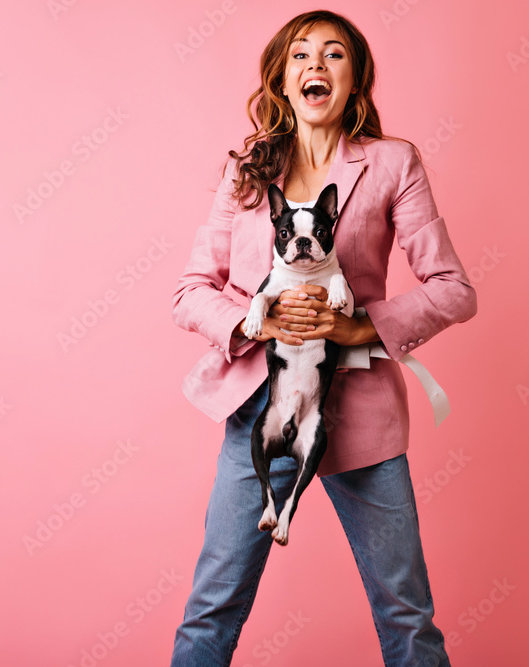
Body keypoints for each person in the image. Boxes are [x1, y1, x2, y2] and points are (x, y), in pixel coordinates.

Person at [169, 10, 476, 666]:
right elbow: (191, 291)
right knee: (212, 604)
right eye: (302, 54)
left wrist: (358, 324)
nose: (317, 64)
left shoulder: (394, 163)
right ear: (283, 80)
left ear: (356, 80)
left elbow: (454, 289)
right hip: (262, 406)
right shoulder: (248, 170)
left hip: (361, 410)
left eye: (335, 54)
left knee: (405, 610)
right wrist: (255, 320)